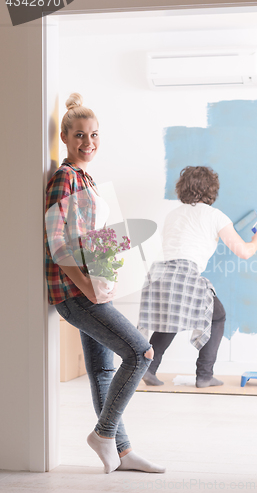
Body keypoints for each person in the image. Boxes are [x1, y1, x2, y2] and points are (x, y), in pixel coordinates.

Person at [45, 93, 165, 474]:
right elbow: (57, 243)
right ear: (64, 137)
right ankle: (104, 433)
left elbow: (90, 237)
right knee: (141, 353)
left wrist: (113, 264)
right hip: (76, 292)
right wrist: (89, 285)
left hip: (92, 286)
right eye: (79, 135)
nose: (88, 143)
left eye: (94, 135)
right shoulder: (64, 177)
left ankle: (124, 453)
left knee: (101, 370)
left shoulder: (86, 177)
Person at [138, 166, 257, 388]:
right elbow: (244, 252)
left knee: (169, 321)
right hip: (185, 272)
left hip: (159, 273)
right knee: (218, 316)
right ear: (212, 190)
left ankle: (149, 369)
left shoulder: (173, 215)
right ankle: (205, 374)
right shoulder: (215, 216)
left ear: (182, 189)